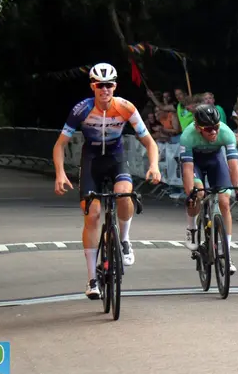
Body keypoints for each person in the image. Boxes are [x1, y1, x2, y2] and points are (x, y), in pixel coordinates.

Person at [53, 63, 162, 299]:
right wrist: (60, 173)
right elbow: (60, 144)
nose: (105, 89)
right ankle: (92, 279)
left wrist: (153, 166)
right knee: (91, 215)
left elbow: (150, 142)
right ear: (93, 86)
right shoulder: (81, 109)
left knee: (124, 194)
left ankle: (123, 240)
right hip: (92, 159)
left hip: (116, 156)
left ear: (115, 86)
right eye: (100, 85)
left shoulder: (125, 107)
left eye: (109, 85)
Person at [179, 104, 238, 275]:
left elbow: (233, 165)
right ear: (197, 127)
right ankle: (192, 228)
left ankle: (227, 254)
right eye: (208, 129)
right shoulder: (187, 136)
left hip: (215, 161)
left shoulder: (226, 133)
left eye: (216, 127)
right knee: (198, 193)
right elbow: (187, 169)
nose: (213, 132)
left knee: (224, 202)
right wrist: (190, 194)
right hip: (195, 163)